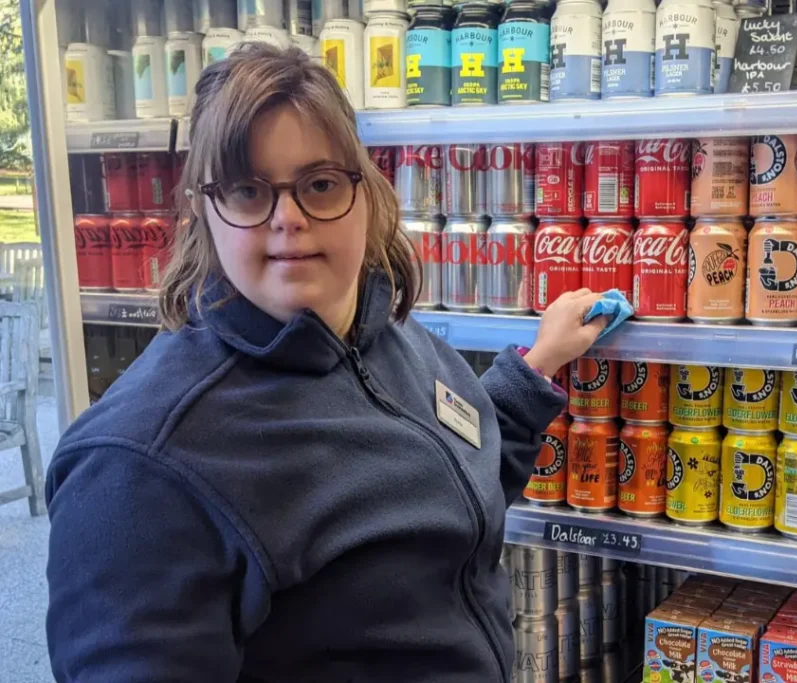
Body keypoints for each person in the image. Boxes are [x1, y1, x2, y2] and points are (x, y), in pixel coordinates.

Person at [45, 44, 609, 682]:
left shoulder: (385, 335)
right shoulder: (134, 471)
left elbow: (442, 489)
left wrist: (535, 370)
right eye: (248, 190)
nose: (289, 219)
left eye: (319, 183)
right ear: (204, 210)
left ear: (364, 193)